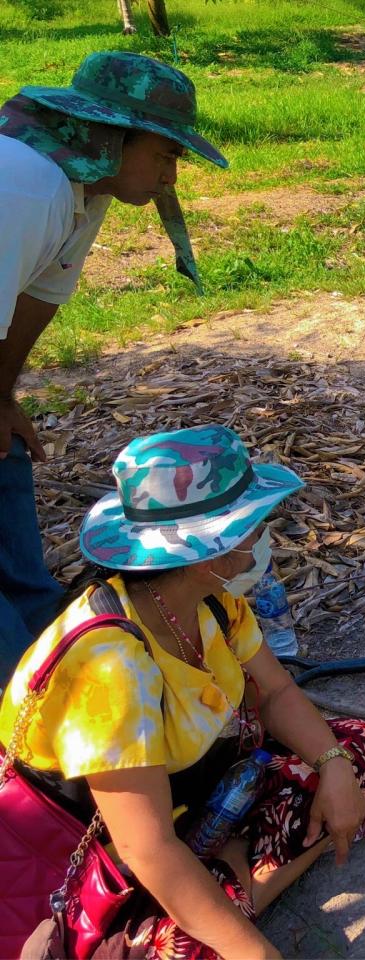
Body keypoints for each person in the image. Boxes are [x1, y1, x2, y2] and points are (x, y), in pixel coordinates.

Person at [0, 425, 365, 959]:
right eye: (252, 526)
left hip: (193, 799)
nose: (262, 537)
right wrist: (257, 953)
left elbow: (279, 691)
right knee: (183, 949)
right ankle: (228, 889)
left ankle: (228, 880)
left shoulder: (212, 600)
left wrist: (333, 764)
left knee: (357, 751)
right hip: (107, 859)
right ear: (207, 548)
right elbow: (146, 850)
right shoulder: (111, 667)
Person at [1, 50, 225, 681]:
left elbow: (35, 301)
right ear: (108, 135)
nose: (170, 177)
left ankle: (62, 664)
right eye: (165, 155)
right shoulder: (23, 184)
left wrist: (2, 397)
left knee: (7, 473)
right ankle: (28, 720)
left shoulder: (83, 187)